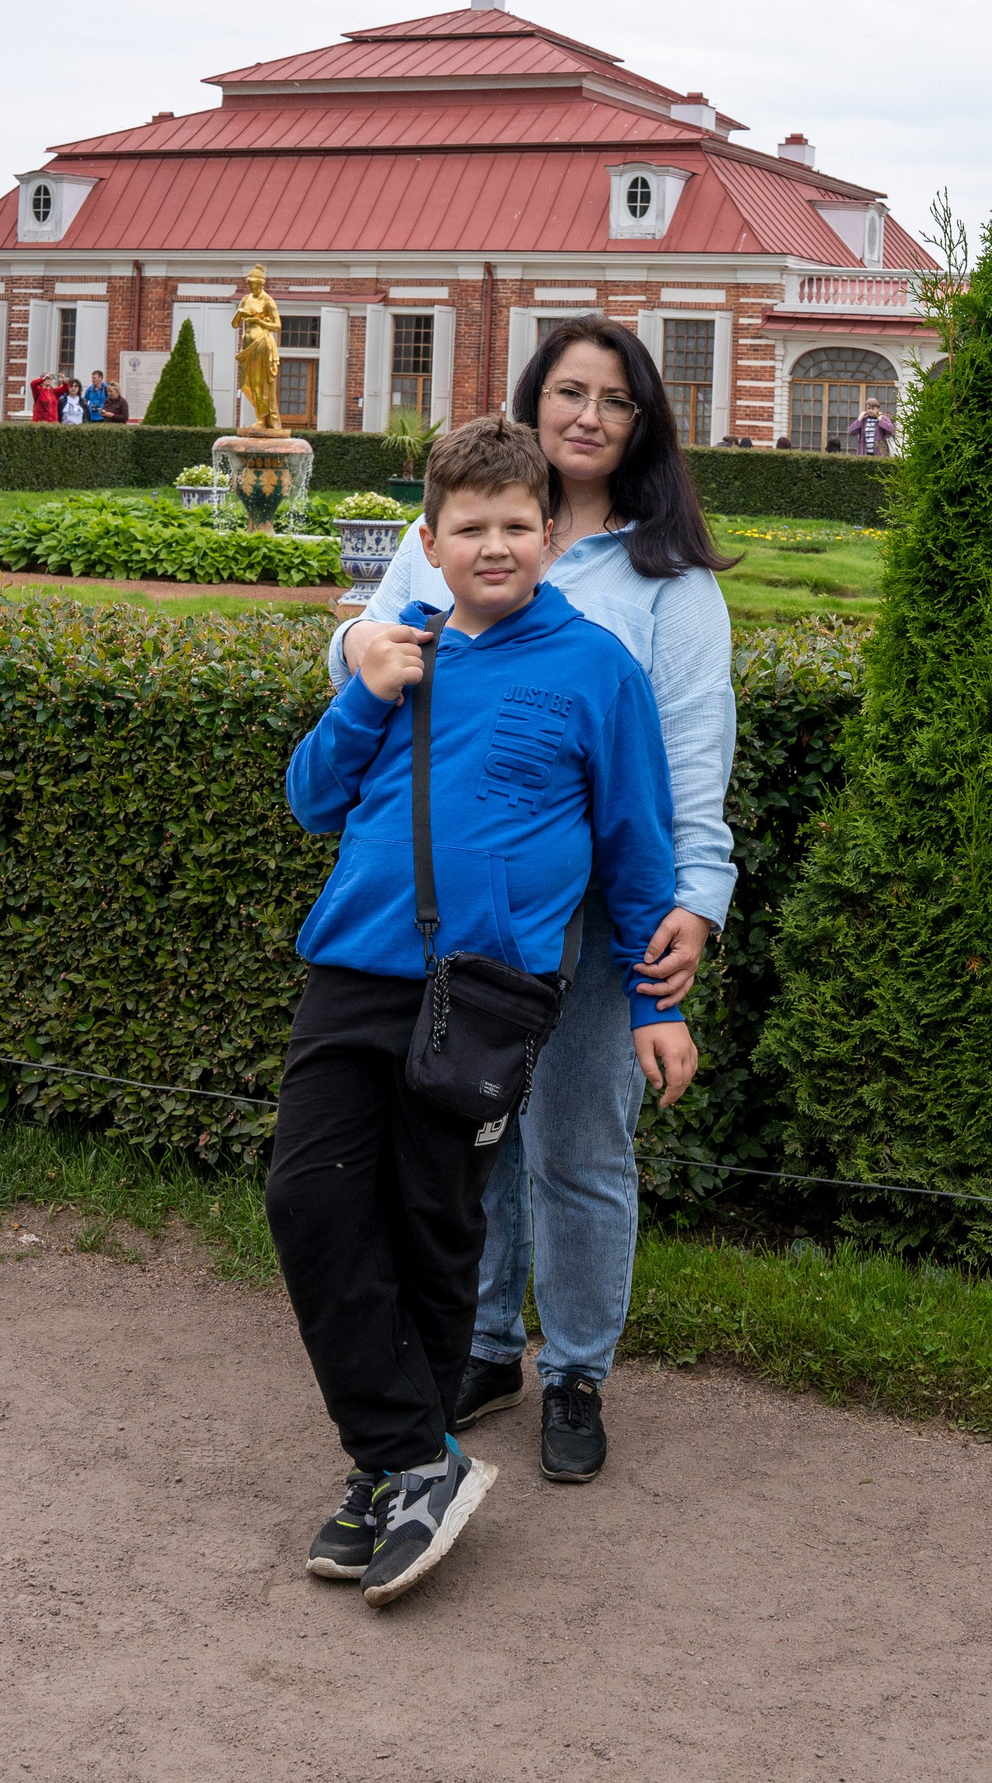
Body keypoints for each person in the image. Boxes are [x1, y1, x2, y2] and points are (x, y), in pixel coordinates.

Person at [271, 414, 693, 1609]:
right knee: (306, 1199)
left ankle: (387, 1465)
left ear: (550, 536)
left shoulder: (596, 670)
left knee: (430, 1224)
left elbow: (634, 851)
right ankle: (416, 1454)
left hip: (487, 995)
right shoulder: (396, 648)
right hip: (352, 969)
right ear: (431, 538)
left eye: (517, 524)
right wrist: (365, 687)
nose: (495, 544)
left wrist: (658, 1006)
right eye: (471, 527)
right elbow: (311, 799)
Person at [331, 313, 738, 1485]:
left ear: (643, 421)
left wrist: (693, 901)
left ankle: (577, 1371)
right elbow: (367, 651)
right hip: (473, 913)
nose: (588, 416)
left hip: (607, 913)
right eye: (568, 391)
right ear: (533, 399)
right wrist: (360, 639)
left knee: (578, 1142)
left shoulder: (668, 579)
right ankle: (487, 1343)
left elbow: (689, 758)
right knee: (472, 1131)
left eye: (615, 400)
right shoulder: (470, 514)